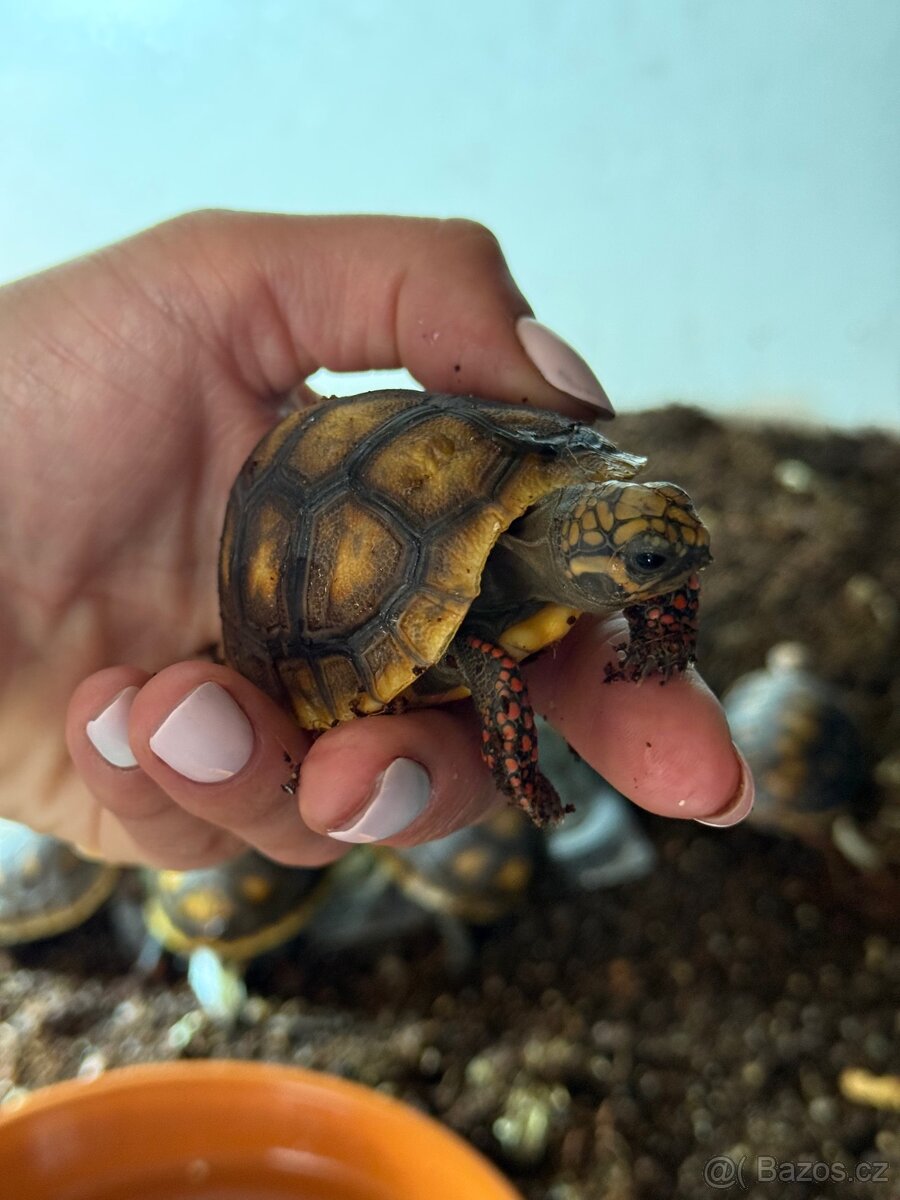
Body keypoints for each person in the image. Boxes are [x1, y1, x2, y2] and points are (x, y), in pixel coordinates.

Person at [0, 210, 752, 869]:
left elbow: (665, 564)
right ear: (585, 562)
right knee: (486, 670)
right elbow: (487, 668)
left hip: (382, 476)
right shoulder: (484, 632)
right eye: (645, 564)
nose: (684, 565)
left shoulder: (565, 483)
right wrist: (524, 771)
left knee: (385, 753)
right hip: (301, 572)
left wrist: (663, 637)